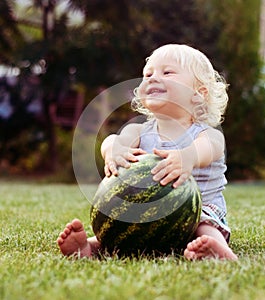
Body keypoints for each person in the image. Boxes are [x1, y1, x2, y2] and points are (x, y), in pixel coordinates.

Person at [57, 44, 238, 260]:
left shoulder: (206, 134)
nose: (153, 78)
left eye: (167, 72)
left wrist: (188, 157)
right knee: (118, 226)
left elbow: (210, 148)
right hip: (148, 213)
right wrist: (114, 150)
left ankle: (216, 250)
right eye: (148, 74)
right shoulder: (139, 131)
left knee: (204, 226)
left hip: (197, 213)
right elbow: (113, 140)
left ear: (198, 94)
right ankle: (88, 247)